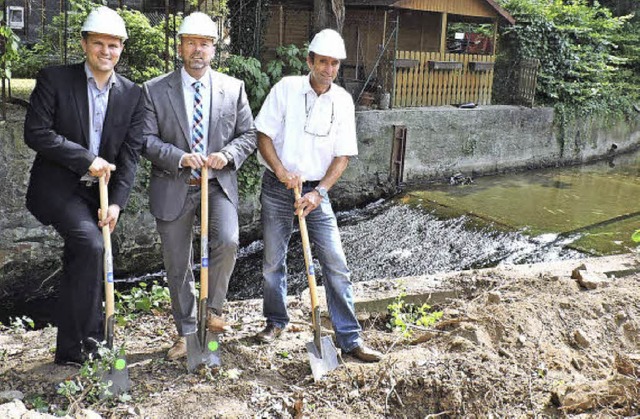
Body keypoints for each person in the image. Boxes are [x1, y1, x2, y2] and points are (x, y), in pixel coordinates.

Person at [24, 6, 144, 366]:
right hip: (59, 188)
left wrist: (117, 204)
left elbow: (131, 155)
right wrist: (85, 159)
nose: (106, 52)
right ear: (84, 44)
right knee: (91, 245)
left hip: (100, 194)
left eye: (113, 45)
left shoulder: (132, 94)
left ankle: (77, 349)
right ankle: (86, 345)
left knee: (89, 255)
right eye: (99, 44)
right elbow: (37, 133)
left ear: (121, 48)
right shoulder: (54, 80)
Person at [254, 29, 383, 362]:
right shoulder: (285, 90)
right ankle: (276, 321)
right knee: (272, 262)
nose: (328, 69)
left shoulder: (342, 100)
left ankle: (350, 339)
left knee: (336, 264)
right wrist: (282, 171)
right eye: (322, 61)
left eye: (334, 64)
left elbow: (343, 156)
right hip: (278, 186)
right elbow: (263, 134)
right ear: (309, 61)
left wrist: (319, 192)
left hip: (316, 193)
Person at [142, 12, 257, 360]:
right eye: (191, 42)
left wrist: (227, 154)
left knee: (228, 240)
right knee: (177, 264)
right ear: (180, 46)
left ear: (213, 49)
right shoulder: (154, 90)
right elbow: (145, 139)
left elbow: (248, 135)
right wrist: (179, 156)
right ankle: (186, 331)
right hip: (173, 184)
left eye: (205, 43)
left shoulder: (232, 88)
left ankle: (215, 312)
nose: (198, 49)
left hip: (216, 184)